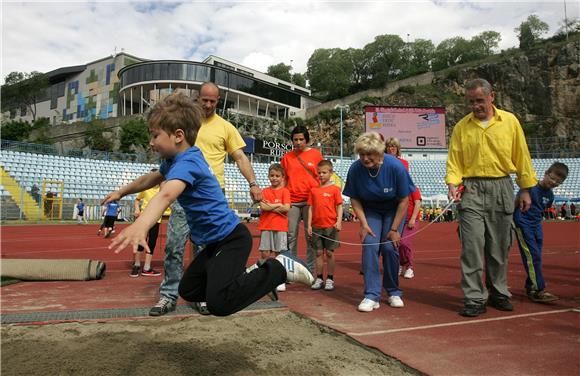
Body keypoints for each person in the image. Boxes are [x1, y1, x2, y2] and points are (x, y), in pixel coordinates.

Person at [104, 93, 313, 317]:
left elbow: (166, 195)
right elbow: (152, 178)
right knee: (190, 289)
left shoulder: (189, 162)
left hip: (231, 239)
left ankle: (279, 268)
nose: (151, 142)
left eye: (155, 136)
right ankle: (248, 276)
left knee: (219, 304)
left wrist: (142, 224)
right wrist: (120, 192)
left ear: (178, 136)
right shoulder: (172, 162)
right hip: (215, 245)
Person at [150, 82, 263, 316]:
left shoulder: (226, 127)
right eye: (204, 99)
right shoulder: (184, 123)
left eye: (213, 101)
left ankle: (203, 294)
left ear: (218, 101)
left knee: (205, 248)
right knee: (174, 245)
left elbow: (240, 157)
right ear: (197, 98)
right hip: (182, 192)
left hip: (211, 194)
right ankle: (168, 295)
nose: (208, 104)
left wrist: (253, 183)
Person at [446, 78, 537, 318]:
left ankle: (499, 292)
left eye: (480, 100)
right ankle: (475, 297)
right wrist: (452, 183)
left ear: (491, 97)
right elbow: (454, 161)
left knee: (499, 247)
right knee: (472, 247)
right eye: (471, 102)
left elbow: (522, 156)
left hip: (502, 186)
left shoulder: (510, 122)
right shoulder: (461, 127)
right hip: (472, 189)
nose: (476, 106)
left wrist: (525, 189)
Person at [343, 132, 415, 312]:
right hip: (371, 210)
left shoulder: (396, 167)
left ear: (380, 153)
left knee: (390, 246)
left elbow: (404, 200)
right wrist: (363, 223)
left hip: (393, 209)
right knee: (369, 244)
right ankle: (371, 295)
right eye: (362, 155)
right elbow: (354, 198)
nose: (365, 159)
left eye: (370, 154)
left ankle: (393, 291)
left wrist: (394, 229)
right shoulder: (355, 169)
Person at [514, 162, 568, 303]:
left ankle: (530, 286)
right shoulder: (530, 188)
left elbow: (542, 209)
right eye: (553, 178)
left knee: (536, 256)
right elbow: (516, 203)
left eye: (558, 182)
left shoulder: (550, 196)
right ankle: (539, 289)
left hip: (536, 226)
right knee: (532, 257)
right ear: (546, 173)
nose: (554, 183)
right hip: (523, 225)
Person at [281, 125, 323, 272]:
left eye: (301, 139)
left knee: (310, 236)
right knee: (290, 236)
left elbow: (322, 176)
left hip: (311, 202)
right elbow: (283, 180)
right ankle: (290, 269)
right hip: (292, 201)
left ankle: (310, 270)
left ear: (307, 140)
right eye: (295, 139)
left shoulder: (316, 155)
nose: (298, 142)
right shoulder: (287, 157)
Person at [248, 163, 290, 292]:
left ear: (282, 177)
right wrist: (278, 206)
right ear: (268, 177)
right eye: (272, 175)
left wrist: (271, 206)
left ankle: (280, 279)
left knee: (279, 254)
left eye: (277, 176)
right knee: (265, 253)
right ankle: (263, 276)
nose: (274, 178)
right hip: (266, 226)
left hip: (281, 227)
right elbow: (264, 207)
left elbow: (286, 208)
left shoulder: (285, 191)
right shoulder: (264, 191)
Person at [307, 160, 343, 291]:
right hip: (316, 226)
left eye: (324, 172)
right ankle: (319, 277)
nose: (321, 175)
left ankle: (330, 279)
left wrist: (338, 221)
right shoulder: (313, 190)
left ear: (331, 173)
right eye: (319, 172)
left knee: (329, 252)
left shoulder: (334, 190)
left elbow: (339, 206)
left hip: (330, 226)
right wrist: (309, 225)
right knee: (317, 252)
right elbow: (310, 208)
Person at [130, 173, 171, 278]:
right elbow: (137, 200)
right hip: (144, 218)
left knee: (151, 242)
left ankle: (147, 267)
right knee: (140, 241)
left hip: (156, 219)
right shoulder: (146, 189)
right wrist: (137, 208)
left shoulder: (162, 190)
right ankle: (136, 265)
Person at [398, 185, 422, 279]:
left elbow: (417, 203)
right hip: (399, 220)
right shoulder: (396, 187)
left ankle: (409, 267)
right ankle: (400, 264)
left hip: (411, 220)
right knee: (397, 243)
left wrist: (412, 218)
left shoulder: (413, 188)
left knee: (404, 242)